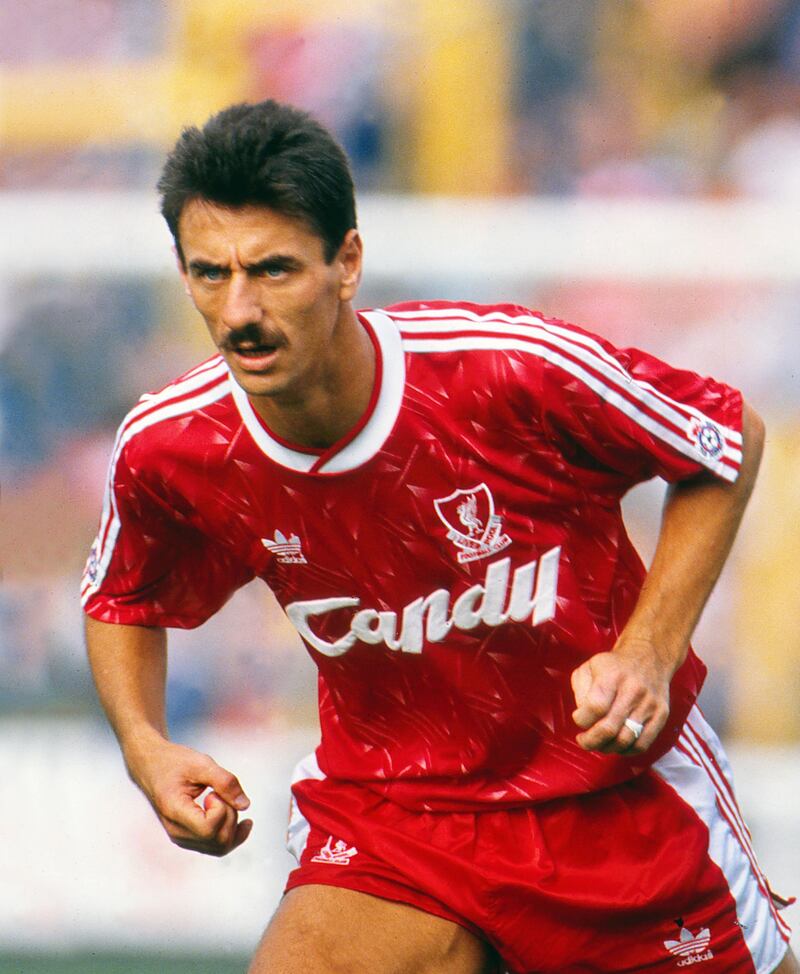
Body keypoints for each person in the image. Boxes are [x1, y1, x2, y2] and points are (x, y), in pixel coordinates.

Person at [82, 100, 796, 974]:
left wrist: (647, 654)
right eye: (209, 273)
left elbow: (724, 439)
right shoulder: (172, 446)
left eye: (272, 271)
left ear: (347, 262)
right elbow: (122, 595)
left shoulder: (501, 367)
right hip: (395, 817)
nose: (239, 312)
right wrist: (145, 746)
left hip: (609, 802)